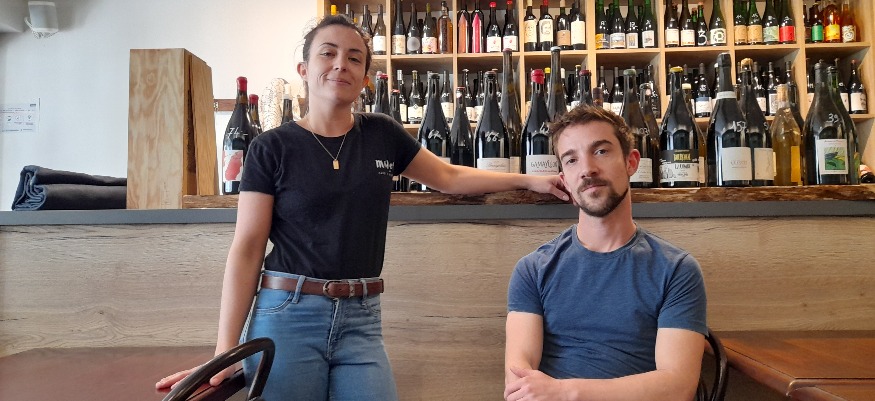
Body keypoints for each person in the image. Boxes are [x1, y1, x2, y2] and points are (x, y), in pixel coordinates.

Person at [155, 15, 568, 401]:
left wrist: (529, 180)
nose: (341, 64)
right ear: (304, 69)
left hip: (361, 316)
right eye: (328, 53)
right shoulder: (271, 147)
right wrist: (225, 350)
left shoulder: (381, 134)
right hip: (287, 314)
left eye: (354, 58)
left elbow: (448, 177)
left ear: (365, 78)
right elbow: (247, 247)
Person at [503, 106, 707, 401]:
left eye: (600, 151)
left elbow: (678, 388)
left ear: (631, 162)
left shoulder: (676, 269)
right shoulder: (533, 269)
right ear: (565, 180)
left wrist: (564, 392)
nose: (587, 169)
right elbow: (518, 380)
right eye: (572, 159)